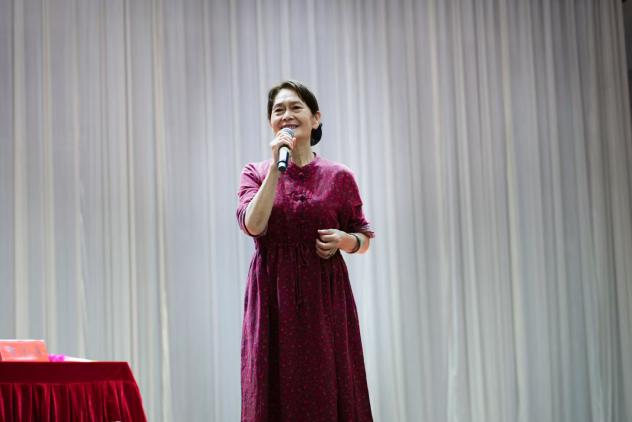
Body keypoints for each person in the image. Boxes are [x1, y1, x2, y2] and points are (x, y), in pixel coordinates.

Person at [236, 80, 374, 422]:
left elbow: (363, 237)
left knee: (327, 384)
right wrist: (275, 170)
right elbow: (253, 225)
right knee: (272, 388)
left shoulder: (340, 177)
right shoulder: (255, 173)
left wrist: (344, 240)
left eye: (295, 107)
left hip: (324, 299)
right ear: (271, 123)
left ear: (315, 118)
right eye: (278, 110)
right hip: (272, 297)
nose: (286, 115)